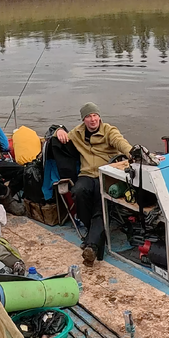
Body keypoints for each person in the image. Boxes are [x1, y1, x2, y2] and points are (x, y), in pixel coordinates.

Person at [53, 102, 132, 266]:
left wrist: (132, 153)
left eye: (95, 115)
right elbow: (58, 136)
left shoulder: (109, 130)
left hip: (107, 175)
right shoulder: (77, 133)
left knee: (100, 203)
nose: (93, 119)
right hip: (87, 174)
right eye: (88, 116)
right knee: (78, 192)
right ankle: (93, 234)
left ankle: (92, 246)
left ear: (99, 117)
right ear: (83, 119)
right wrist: (59, 130)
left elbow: (120, 142)